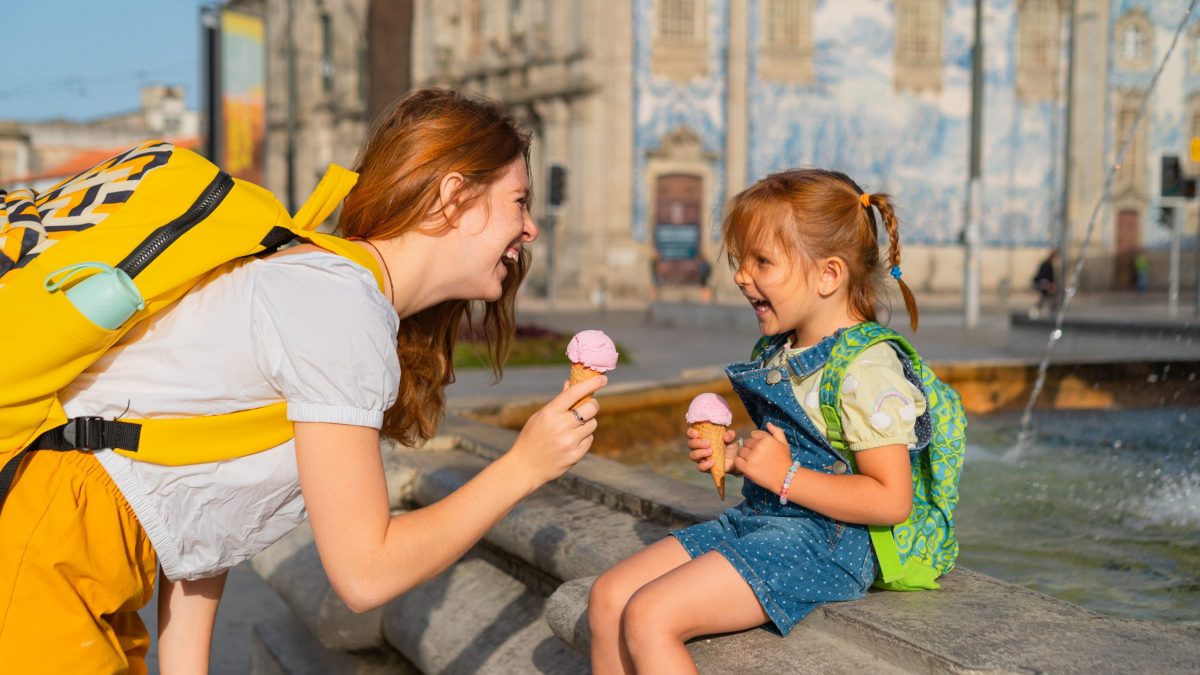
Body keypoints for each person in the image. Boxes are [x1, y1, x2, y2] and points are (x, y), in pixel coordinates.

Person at [0, 88, 608, 673]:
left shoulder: (324, 282)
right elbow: (366, 574)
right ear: (454, 197)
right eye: (519, 202)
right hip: (51, 548)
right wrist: (524, 466)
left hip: (72, 550)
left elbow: (200, 504)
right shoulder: (340, 308)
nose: (529, 229)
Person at [588, 169, 929, 673]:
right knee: (610, 595)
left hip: (827, 541)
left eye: (761, 262)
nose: (742, 276)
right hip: (764, 521)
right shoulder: (782, 350)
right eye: (739, 261)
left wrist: (785, 477)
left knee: (650, 614)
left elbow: (890, 499)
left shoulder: (867, 368)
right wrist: (737, 458)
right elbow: (792, 451)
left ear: (828, 275)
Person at [1032, 248, 1059, 316]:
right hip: (1045, 284)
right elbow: (1046, 276)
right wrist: (1049, 284)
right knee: (1045, 298)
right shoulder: (1047, 265)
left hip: (1045, 284)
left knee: (1045, 298)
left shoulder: (1046, 264)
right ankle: (1037, 311)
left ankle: (1039, 310)